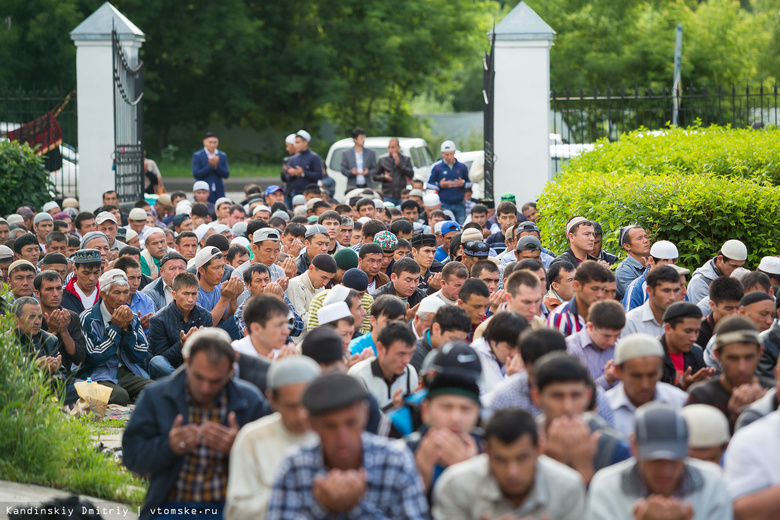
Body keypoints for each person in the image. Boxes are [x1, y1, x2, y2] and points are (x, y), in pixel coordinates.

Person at [123, 329, 271, 520]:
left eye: (215, 381)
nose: (205, 388)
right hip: (172, 505)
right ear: (187, 364)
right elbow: (132, 457)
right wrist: (169, 446)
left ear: (231, 371)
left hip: (229, 509)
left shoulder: (250, 401)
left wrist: (238, 448)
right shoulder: (156, 396)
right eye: (199, 377)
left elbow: (272, 466)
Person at [267, 373, 428, 518]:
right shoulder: (295, 465)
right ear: (311, 424)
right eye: (330, 426)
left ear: (364, 414)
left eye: (351, 423)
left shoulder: (395, 460)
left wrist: (355, 506)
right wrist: (322, 507)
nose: (342, 438)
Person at [587, 402, 731, 520]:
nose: (666, 471)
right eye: (655, 460)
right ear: (634, 449)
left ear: (686, 450)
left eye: (673, 460)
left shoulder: (713, 481)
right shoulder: (607, 486)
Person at [433, 408, 586, 519]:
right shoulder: (456, 485)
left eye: (522, 458)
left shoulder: (568, 486)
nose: (512, 472)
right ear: (487, 453)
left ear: (539, 450)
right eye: (500, 459)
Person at [225, 357, 321, 520]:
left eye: (306, 404)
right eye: (291, 406)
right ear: (272, 400)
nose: (301, 415)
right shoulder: (252, 438)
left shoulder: (330, 434)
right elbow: (237, 511)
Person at [531, 353, 631, 484]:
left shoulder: (614, 448)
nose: (567, 407)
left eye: (575, 395)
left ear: (587, 395)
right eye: (557, 396)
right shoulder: (524, 441)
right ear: (537, 396)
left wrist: (584, 470)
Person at [75, 269, 151, 405]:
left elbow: (141, 353)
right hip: (96, 374)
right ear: (103, 294)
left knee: (153, 390)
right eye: (117, 293)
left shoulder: (131, 317)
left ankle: (132, 397)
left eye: (125, 292)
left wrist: (127, 329)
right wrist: (115, 328)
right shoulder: (88, 318)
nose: (122, 298)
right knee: (120, 396)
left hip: (124, 371)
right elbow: (94, 356)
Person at [406, 365, 482, 496]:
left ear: (477, 413)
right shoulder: (404, 452)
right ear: (426, 410)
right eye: (446, 407)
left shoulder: (489, 452)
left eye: (466, 409)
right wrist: (419, 478)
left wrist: (470, 471)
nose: (456, 418)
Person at [687, 315, 772, 432]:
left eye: (749, 357)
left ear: (760, 353)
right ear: (717, 355)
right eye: (733, 358)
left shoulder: (772, 394)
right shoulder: (702, 397)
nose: (742, 368)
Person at [12, 296, 78, 404]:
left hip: (47, 392)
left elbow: (62, 378)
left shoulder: (49, 340)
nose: (38, 322)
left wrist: (54, 370)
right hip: (18, 395)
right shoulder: (6, 341)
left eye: (40, 317)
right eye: (32, 317)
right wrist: (35, 369)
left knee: (84, 390)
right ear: (15, 319)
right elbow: (8, 380)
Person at [147, 272, 213, 379]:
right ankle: (186, 382)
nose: (190, 299)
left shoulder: (205, 317)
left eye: (194, 294)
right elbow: (160, 360)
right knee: (157, 361)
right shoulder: (159, 319)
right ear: (174, 295)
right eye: (185, 294)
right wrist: (182, 345)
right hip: (170, 370)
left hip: (197, 367)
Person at [348, 321, 418, 411]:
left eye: (410, 354)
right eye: (401, 354)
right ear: (380, 348)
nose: (407, 360)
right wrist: (393, 407)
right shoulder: (358, 376)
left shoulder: (409, 372)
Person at [34, 271, 86, 377]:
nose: (55, 294)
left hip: (65, 377)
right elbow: (34, 358)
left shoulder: (71, 317)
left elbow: (79, 359)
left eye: (59, 288)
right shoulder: (32, 319)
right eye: (49, 289)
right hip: (38, 380)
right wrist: (51, 331)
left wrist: (63, 330)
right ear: (37, 293)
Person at [566, 299, 625, 390]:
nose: (611, 342)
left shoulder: (621, 347)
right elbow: (572, 392)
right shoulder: (570, 349)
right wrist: (606, 380)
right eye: (606, 336)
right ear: (590, 326)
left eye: (617, 336)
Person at [548, 260, 614, 338]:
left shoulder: (607, 313)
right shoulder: (560, 317)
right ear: (577, 285)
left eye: (603, 289)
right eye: (594, 289)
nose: (600, 295)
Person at [659, 301, 715, 390]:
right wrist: (683, 386)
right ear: (668, 329)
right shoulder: (652, 356)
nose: (694, 338)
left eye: (697, 332)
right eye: (688, 331)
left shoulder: (697, 353)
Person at [472, 311, 528, 397]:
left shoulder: (523, 355)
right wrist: (510, 380)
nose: (515, 354)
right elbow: (478, 402)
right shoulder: (473, 356)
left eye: (519, 347)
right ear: (493, 340)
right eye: (510, 347)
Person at [623, 265, 681, 338]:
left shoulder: (683, 319)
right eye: (666, 291)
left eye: (676, 290)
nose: (672, 297)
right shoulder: (631, 322)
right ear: (649, 291)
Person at [688, 239, 748, 309]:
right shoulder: (700, 282)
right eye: (734, 266)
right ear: (720, 259)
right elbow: (701, 315)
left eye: (741, 266)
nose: (738, 270)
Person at [410, 305, 472, 372]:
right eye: (453, 339)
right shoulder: (414, 354)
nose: (457, 345)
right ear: (436, 329)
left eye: (461, 341)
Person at [622, 240, 679, 311]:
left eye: (675, 266)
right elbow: (629, 319)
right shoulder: (637, 288)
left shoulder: (679, 284)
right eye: (665, 267)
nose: (670, 271)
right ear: (651, 260)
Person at [232, 294, 292, 362]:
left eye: (287, 324)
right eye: (279, 325)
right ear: (256, 329)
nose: (287, 331)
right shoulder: (234, 356)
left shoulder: (284, 354)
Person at [195, 246, 244, 328]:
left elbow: (227, 318)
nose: (221, 272)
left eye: (222, 267)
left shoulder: (219, 287)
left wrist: (233, 298)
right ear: (202, 270)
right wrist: (224, 298)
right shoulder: (193, 292)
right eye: (216, 268)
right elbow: (205, 327)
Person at [287, 253, 337, 332]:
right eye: (324, 277)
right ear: (311, 269)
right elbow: (299, 322)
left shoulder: (321, 287)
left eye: (329, 279)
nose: (325, 283)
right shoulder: (295, 285)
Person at [425, 140, 470, 224]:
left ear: (454, 152)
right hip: (444, 203)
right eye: (446, 154)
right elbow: (428, 184)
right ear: (442, 153)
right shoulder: (436, 167)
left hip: (459, 202)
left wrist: (462, 184)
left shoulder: (462, 166)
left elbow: (470, 182)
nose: (449, 157)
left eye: (451, 154)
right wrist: (440, 185)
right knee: (446, 226)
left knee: (461, 225)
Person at [698, 275, 744, 348]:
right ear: (712, 305)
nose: (735, 314)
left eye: (738, 308)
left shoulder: (747, 329)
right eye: (728, 308)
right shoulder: (698, 335)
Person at [113, 256, 156, 331]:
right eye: (131, 278)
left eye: (139, 278)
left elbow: (153, 331)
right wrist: (138, 327)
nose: (136, 283)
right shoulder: (111, 301)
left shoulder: (146, 300)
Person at [282, 130, 322, 203]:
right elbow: (287, 178)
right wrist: (291, 173)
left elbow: (319, 175)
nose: (295, 145)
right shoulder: (293, 159)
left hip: (310, 196)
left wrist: (303, 173)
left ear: (305, 142)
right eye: (295, 142)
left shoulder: (314, 157)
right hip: (294, 194)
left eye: (298, 142)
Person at [372, 137, 414, 206]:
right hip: (387, 194)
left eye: (393, 147)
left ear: (399, 148)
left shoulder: (405, 159)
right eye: (389, 147)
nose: (391, 150)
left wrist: (399, 164)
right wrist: (384, 177)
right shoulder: (383, 160)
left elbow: (411, 174)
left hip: (401, 194)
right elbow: (374, 176)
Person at [614, 224, 651, 300]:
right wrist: (649, 271)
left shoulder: (656, 261)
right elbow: (638, 297)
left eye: (646, 237)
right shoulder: (623, 271)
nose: (645, 241)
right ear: (627, 246)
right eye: (639, 238)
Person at [192, 132, 230, 203]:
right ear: (204, 142)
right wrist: (210, 166)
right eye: (210, 142)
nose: (212, 145)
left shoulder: (222, 155)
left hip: (219, 191)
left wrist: (216, 166)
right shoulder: (198, 155)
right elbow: (196, 174)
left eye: (214, 142)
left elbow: (226, 174)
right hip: (203, 192)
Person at [61, 249, 102, 315]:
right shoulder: (62, 294)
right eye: (86, 273)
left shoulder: (106, 294)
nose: (92, 278)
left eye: (96, 272)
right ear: (74, 269)